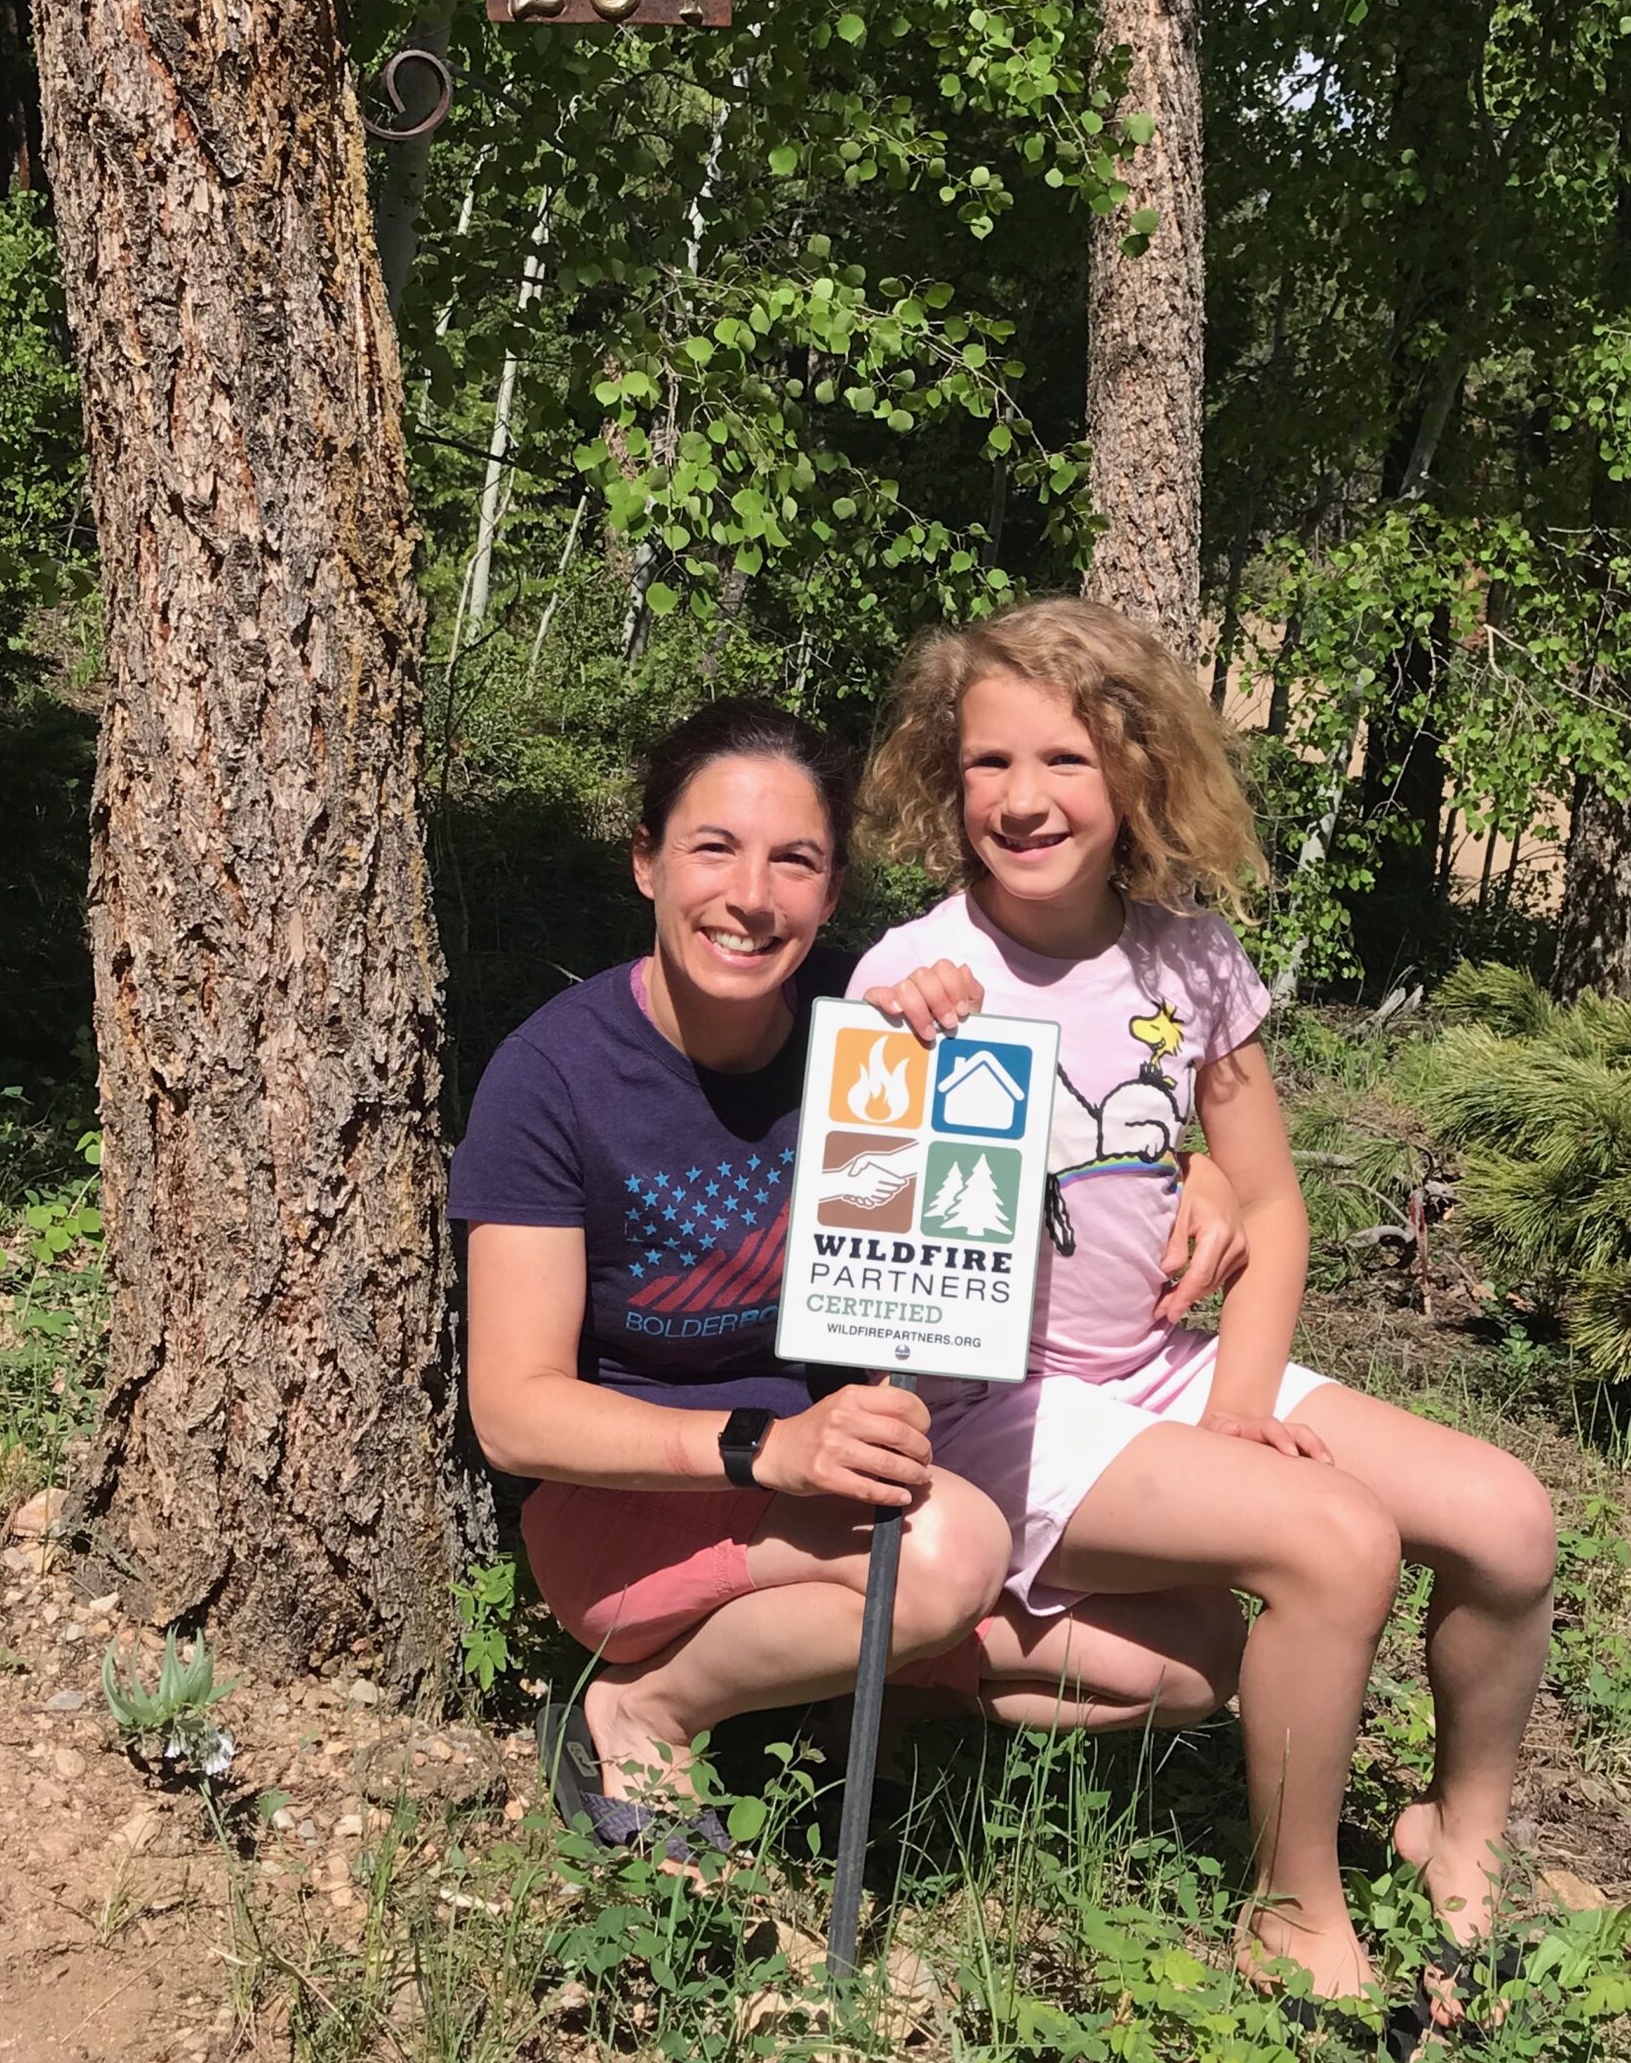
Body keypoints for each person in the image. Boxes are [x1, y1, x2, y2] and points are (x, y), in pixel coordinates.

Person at [852, 599, 1557, 2037]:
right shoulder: (916, 980)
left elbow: (1275, 1205)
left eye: (1063, 758)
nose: (1023, 798)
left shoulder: (1191, 961)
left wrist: (1239, 1405)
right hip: (1003, 1409)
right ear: (943, 777)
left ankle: (1462, 1832)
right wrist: (894, 1028)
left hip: (1169, 1368)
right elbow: (870, 1237)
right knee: (1336, 1541)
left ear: (1135, 770)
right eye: (986, 763)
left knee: (1507, 1517)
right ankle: (1292, 1908)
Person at [453, 696, 1249, 1855]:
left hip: (833, 1482)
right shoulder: (555, 1076)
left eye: (796, 861)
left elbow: (1086, 1109)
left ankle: (823, 1667)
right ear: (645, 863)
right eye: (712, 848)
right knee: (951, 1553)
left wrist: (1201, 1166)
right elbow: (514, 1413)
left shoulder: (873, 1022)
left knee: (1191, 1661)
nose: (751, 896)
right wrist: (758, 1446)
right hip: (641, 1495)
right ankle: (641, 1712)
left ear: (831, 894)